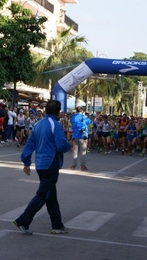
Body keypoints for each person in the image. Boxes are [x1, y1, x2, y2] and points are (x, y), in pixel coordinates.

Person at [13, 100, 71, 235]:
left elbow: (30, 145)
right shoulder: (55, 125)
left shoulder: (38, 124)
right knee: (43, 195)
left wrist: (26, 162)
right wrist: (69, 143)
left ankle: (57, 224)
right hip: (51, 164)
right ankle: (23, 220)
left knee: (51, 195)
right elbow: (61, 145)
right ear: (58, 112)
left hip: (40, 164)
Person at [70, 106, 91, 171]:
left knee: (75, 151)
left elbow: (71, 123)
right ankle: (83, 166)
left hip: (75, 135)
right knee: (83, 152)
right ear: (82, 111)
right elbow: (89, 122)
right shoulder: (84, 117)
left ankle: (73, 165)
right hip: (83, 135)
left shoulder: (73, 117)